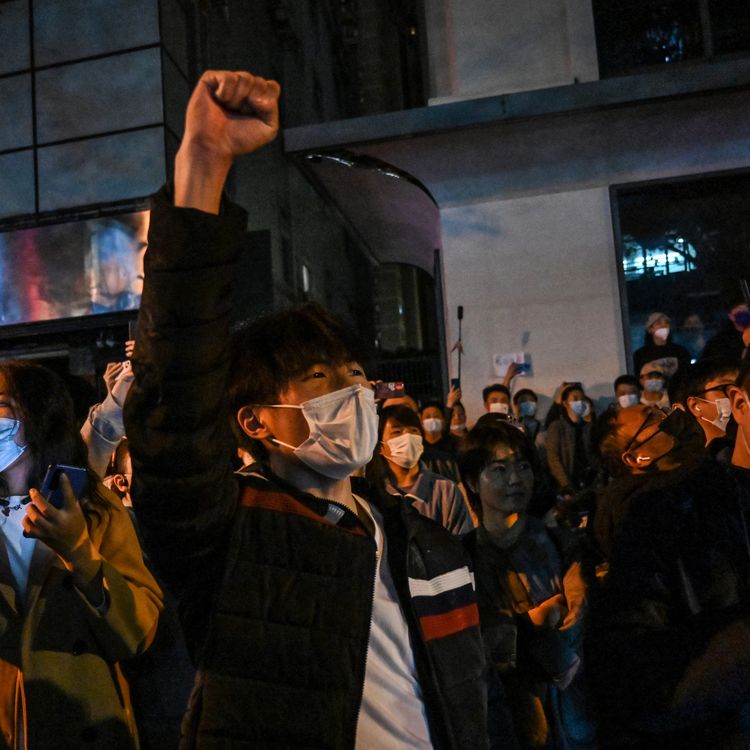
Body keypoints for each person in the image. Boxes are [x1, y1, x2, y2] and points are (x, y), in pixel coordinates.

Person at [124, 70, 489, 749]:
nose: (352, 391)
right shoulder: (227, 533)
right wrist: (204, 165)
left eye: (355, 374)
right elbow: (174, 399)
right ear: (254, 421)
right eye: (319, 378)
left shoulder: (424, 540)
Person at [0, 360, 162, 748]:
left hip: (85, 725)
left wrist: (80, 553)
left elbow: (137, 634)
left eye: (2, 403)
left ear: (37, 416)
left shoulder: (93, 507)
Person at [586, 391, 750, 749]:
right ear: (636, 456)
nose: (671, 412)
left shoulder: (702, 487)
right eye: (655, 418)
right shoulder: (646, 513)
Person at [460, 421, 595, 750]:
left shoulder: (561, 544)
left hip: (568, 708)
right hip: (498, 713)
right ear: (471, 482)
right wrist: (532, 623)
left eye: (523, 467)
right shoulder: (458, 557)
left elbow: (577, 619)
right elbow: (468, 641)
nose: (515, 479)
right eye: (499, 469)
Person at [369, 405, 475, 534]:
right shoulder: (373, 492)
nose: (408, 437)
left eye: (414, 431)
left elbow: (462, 544)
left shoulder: (445, 491)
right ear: (380, 446)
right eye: (397, 432)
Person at [545, 385, 596, 496]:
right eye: (575, 399)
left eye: (582, 399)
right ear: (565, 403)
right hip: (567, 485)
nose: (580, 402)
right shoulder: (557, 426)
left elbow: (594, 455)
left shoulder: (590, 427)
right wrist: (566, 486)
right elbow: (553, 458)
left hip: (589, 483)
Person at [632, 312, 691, 380]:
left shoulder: (680, 351)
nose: (664, 325)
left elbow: (687, 375)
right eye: (658, 323)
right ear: (650, 329)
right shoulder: (640, 355)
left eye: (666, 323)